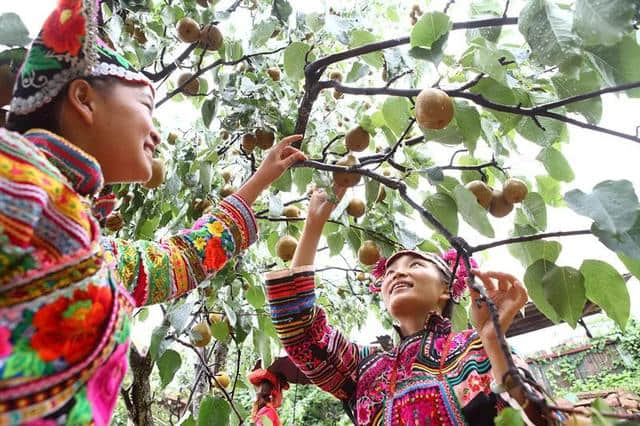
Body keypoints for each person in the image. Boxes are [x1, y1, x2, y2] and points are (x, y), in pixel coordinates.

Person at [0, 0, 306, 424]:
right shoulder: (14, 178)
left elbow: (183, 260)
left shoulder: (96, 255)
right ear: (84, 99)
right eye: (147, 106)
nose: (156, 133)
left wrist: (260, 180)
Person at [264, 187, 562, 425]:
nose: (398, 274)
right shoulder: (364, 369)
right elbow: (302, 332)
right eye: (390, 273)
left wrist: (494, 342)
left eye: (415, 265)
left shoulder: (478, 348)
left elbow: (544, 419)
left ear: (446, 290)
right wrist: (315, 224)